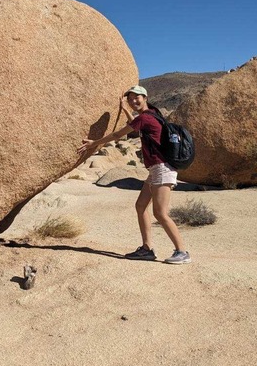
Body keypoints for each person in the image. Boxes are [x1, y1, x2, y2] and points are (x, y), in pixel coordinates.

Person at [77, 85, 191, 264]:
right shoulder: (152, 113)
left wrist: (94, 143)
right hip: (155, 169)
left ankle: (182, 251)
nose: (133, 101)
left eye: (137, 97)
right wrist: (124, 111)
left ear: (145, 97)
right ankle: (147, 249)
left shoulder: (145, 117)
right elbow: (138, 129)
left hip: (162, 168)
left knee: (160, 213)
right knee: (140, 206)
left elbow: (118, 134)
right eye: (130, 99)